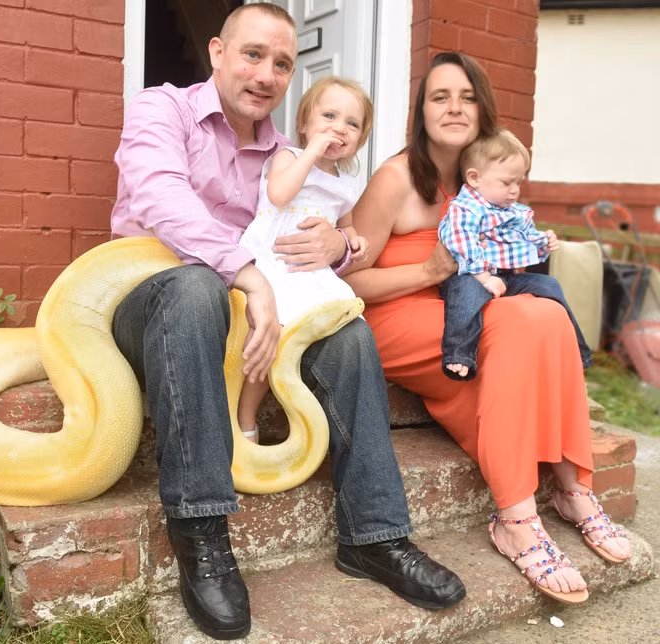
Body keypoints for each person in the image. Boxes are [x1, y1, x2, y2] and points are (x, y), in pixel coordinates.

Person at [109, 4, 465, 640]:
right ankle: (202, 534)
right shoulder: (163, 109)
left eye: (281, 63)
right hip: (155, 299)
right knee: (196, 288)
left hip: (254, 310)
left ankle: (375, 536)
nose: (266, 74)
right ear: (217, 52)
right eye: (253, 54)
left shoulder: (289, 155)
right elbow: (162, 198)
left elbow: (325, 229)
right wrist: (247, 275)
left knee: (349, 333)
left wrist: (340, 246)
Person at [344, 51, 631, 607]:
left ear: (484, 110)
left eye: (467, 97)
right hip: (398, 315)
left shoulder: (487, 180)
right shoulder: (396, 179)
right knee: (518, 322)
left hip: (467, 310)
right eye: (440, 96)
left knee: (546, 310)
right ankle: (515, 521)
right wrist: (429, 271)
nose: (454, 107)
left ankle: (573, 487)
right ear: (421, 112)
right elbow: (350, 282)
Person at [236, 76, 371, 442]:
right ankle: (245, 417)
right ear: (304, 124)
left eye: (352, 123)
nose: (339, 128)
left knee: (341, 328)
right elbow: (279, 194)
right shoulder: (289, 157)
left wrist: (354, 240)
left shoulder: (346, 182)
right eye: (329, 116)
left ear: (360, 139)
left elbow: (346, 224)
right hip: (274, 263)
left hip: (311, 272)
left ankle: (310, 414)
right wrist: (311, 152)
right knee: (268, 337)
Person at [437, 127, 593, 380]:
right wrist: (483, 277)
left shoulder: (513, 211)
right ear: (475, 178)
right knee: (466, 294)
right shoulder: (466, 208)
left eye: (518, 182)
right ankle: (459, 353)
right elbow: (461, 241)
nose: (514, 190)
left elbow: (524, 239)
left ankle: (577, 351)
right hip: (469, 276)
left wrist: (543, 242)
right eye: (506, 182)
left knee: (549, 284)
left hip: (506, 277)